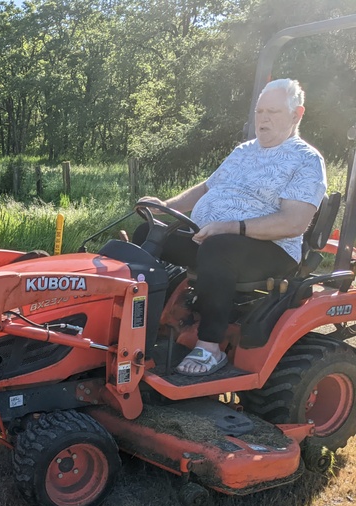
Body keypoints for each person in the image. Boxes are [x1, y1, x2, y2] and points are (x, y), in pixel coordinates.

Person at [133, 78, 327, 376]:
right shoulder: (244, 151)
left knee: (218, 249)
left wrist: (232, 227)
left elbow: (294, 222)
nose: (263, 118)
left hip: (271, 249)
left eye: (272, 112)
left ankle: (210, 347)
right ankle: (137, 324)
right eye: (260, 111)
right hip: (216, 237)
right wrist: (165, 207)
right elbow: (206, 188)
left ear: (296, 115)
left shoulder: (306, 160)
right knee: (149, 233)